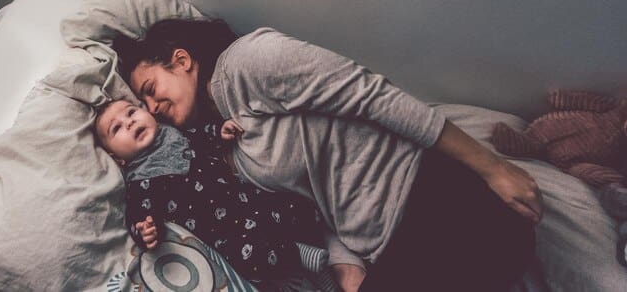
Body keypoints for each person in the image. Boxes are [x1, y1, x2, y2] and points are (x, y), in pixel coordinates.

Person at [113, 19, 541, 292]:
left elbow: (370, 94)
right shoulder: (226, 149)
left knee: (500, 246)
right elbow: (318, 200)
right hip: (385, 248)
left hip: (436, 198)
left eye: (151, 90)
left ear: (181, 61)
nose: (152, 108)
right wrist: (346, 266)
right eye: (143, 104)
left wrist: (493, 167)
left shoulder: (250, 62)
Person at [94, 99, 330, 282]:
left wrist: (220, 130)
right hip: (224, 232)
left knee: (293, 206)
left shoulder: (175, 133)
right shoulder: (140, 182)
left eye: (131, 112)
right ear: (117, 159)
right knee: (252, 257)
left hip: (246, 198)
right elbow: (139, 214)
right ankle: (300, 255)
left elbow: (203, 134)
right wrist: (145, 230)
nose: (129, 122)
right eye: (117, 128)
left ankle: (320, 267)